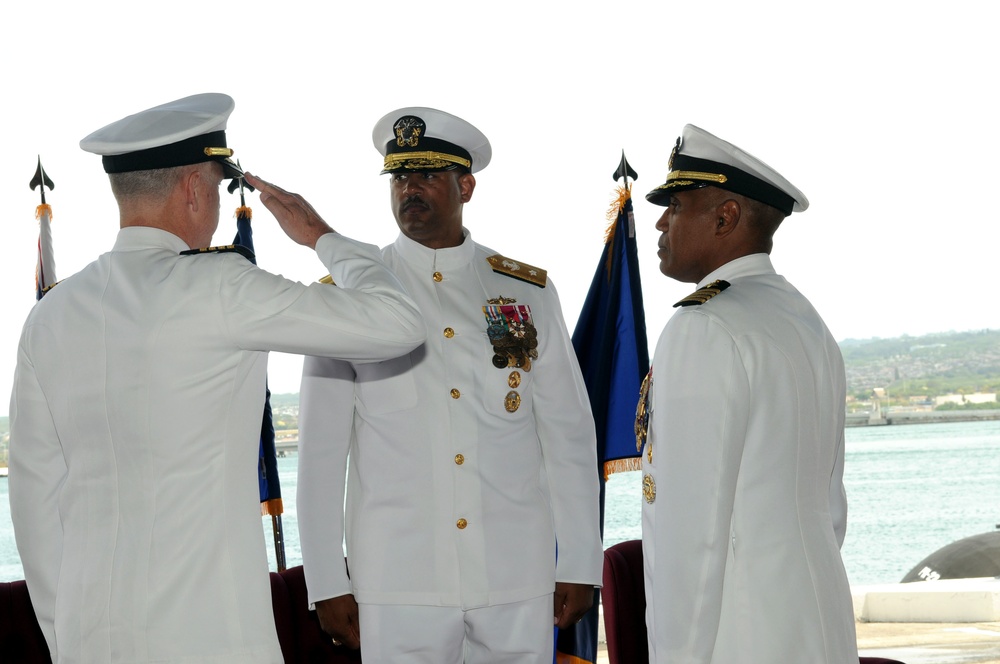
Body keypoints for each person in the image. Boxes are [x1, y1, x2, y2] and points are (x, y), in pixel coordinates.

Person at [7, 92, 426, 664]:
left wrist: (70, 639)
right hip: (212, 637)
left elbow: (35, 502)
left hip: (88, 639)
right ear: (194, 188)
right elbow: (400, 324)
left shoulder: (50, 314)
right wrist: (321, 236)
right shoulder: (221, 287)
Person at [296, 107, 603, 663]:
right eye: (399, 177)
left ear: (466, 186)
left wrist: (581, 560)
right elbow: (319, 454)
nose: (409, 188)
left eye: (428, 175)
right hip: (397, 582)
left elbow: (568, 432)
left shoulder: (525, 291)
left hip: (514, 575)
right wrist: (325, 580)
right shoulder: (351, 296)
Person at [637, 124, 859, 663]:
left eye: (676, 205)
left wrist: (677, 655)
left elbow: (691, 533)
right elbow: (830, 510)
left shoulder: (704, 326)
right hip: (817, 616)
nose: (661, 222)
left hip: (736, 634)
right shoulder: (803, 319)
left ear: (726, 217)